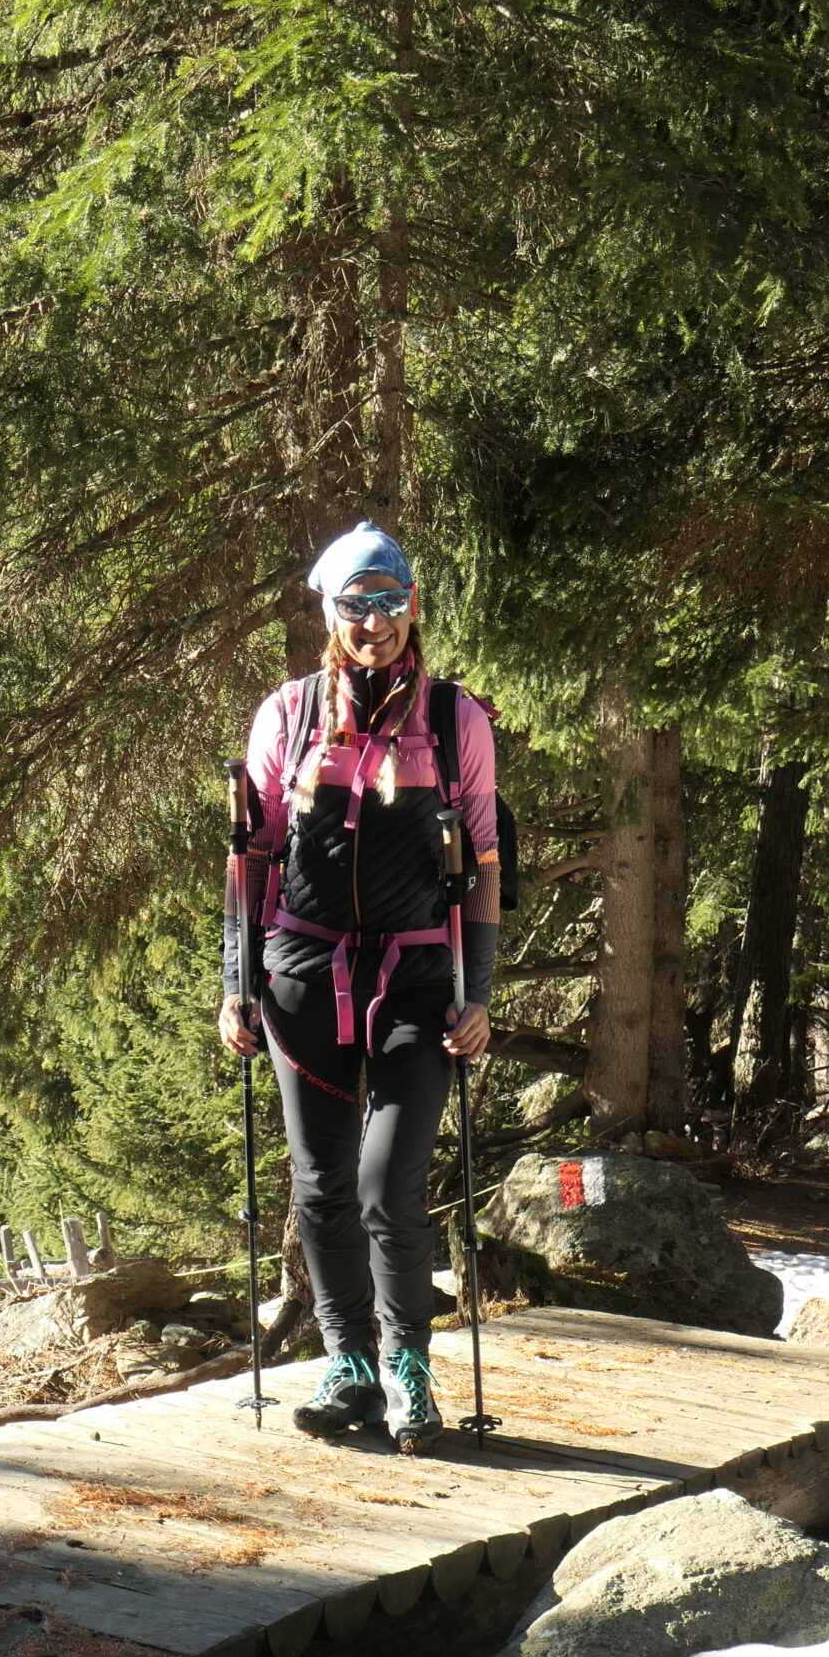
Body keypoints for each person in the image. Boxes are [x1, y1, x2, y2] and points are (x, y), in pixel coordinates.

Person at [220, 522, 505, 1451]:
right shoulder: (287, 714)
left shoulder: (456, 718)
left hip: (418, 976)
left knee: (387, 1182)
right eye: (355, 603)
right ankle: (349, 1370)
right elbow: (251, 854)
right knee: (318, 1186)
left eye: (388, 600)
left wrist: (480, 990)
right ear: (330, 613)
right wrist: (237, 983)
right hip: (300, 977)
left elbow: (485, 857)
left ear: (411, 605)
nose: (373, 620)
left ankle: (407, 1365)